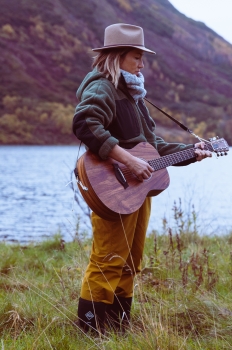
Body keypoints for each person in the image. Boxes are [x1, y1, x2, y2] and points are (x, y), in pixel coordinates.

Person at [72, 23, 211, 334]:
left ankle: (119, 328)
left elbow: (152, 147)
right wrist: (128, 161)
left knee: (130, 260)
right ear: (118, 56)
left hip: (135, 190)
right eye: (137, 57)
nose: (142, 63)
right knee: (108, 259)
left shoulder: (133, 94)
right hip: (111, 186)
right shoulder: (102, 87)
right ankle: (90, 332)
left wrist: (193, 151)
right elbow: (85, 123)